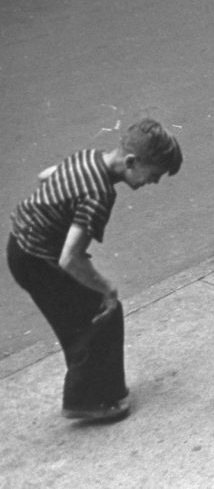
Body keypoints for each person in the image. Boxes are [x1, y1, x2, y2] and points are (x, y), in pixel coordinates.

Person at [7, 118, 182, 422]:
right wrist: (107, 289)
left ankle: (93, 391)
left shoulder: (88, 158)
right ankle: (89, 401)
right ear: (131, 162)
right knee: (102, 312)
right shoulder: (100, 193)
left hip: (20, 245)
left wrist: (52, 219)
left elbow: (46, 175)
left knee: (82, 317)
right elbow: (70, 259)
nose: (152, 183)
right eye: (153, 175)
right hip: (36, 260)